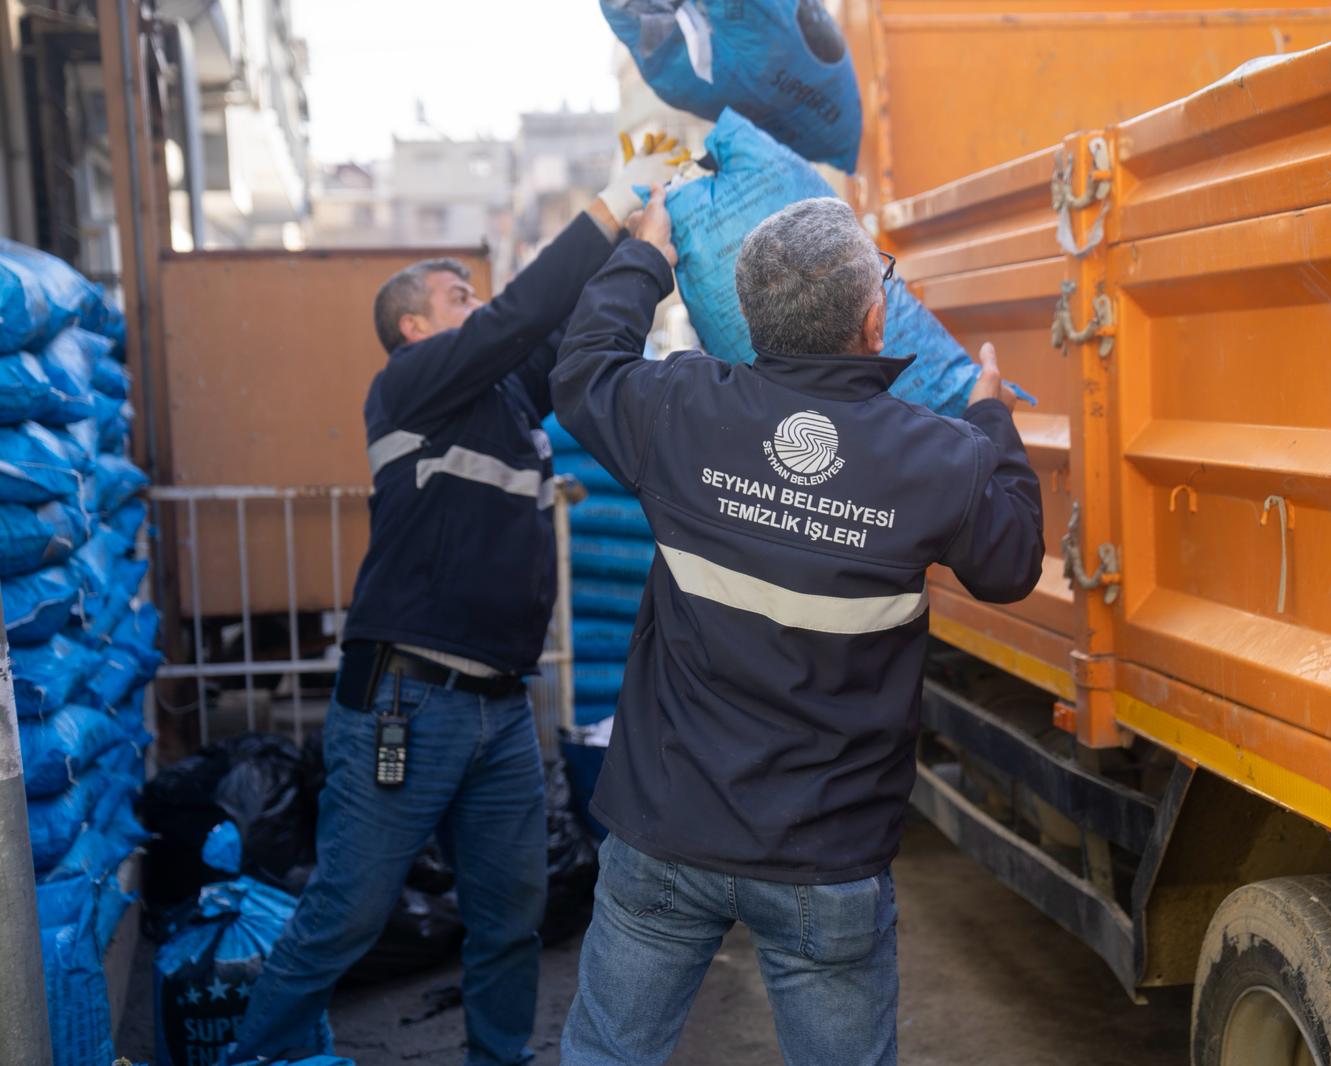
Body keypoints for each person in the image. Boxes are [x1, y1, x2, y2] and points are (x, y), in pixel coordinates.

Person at [553, 194, 1044, 1066]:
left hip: (667, 828)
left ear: (751, 311)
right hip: (826, 857)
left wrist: (643, 257)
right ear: (873, 313)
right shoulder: (939, 457)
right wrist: (992, 419)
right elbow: (1009, 566)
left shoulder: (681, 410)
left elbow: (584, 363)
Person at [228, 144, 682, 1066]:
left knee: (510, 917)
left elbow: (564, 334)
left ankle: (498, 1058)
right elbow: (519, 317)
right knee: (347, 913)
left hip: (499, 710)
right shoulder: (408, 389)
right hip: (409, 701)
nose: (476, 307)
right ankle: (257, 1056)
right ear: (411, 329)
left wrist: (647, 255)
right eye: (456, 297)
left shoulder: (508, 399)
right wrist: (606, 205)